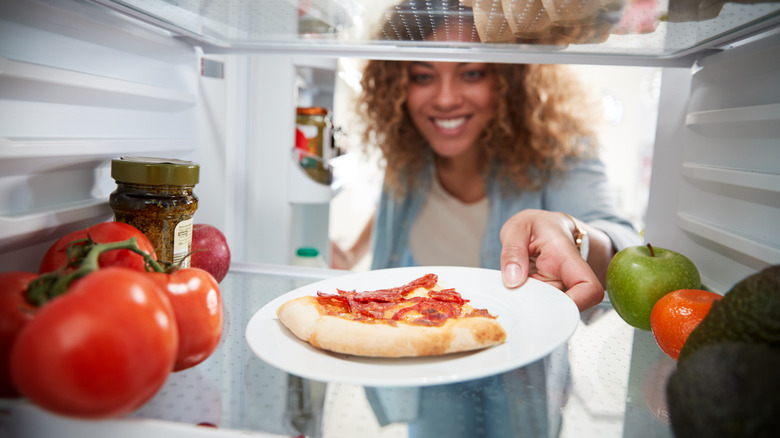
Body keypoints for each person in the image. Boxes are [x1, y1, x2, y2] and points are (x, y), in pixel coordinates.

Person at [331, 3, 639, 314]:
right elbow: (390, 205)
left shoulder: (558, 149)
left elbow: (625, 246)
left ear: (511, 79)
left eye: (472, 73)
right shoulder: (410, 151)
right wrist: (350, 255)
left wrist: (570, 232)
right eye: (423, 76)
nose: (446, 99)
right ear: (398, 86)